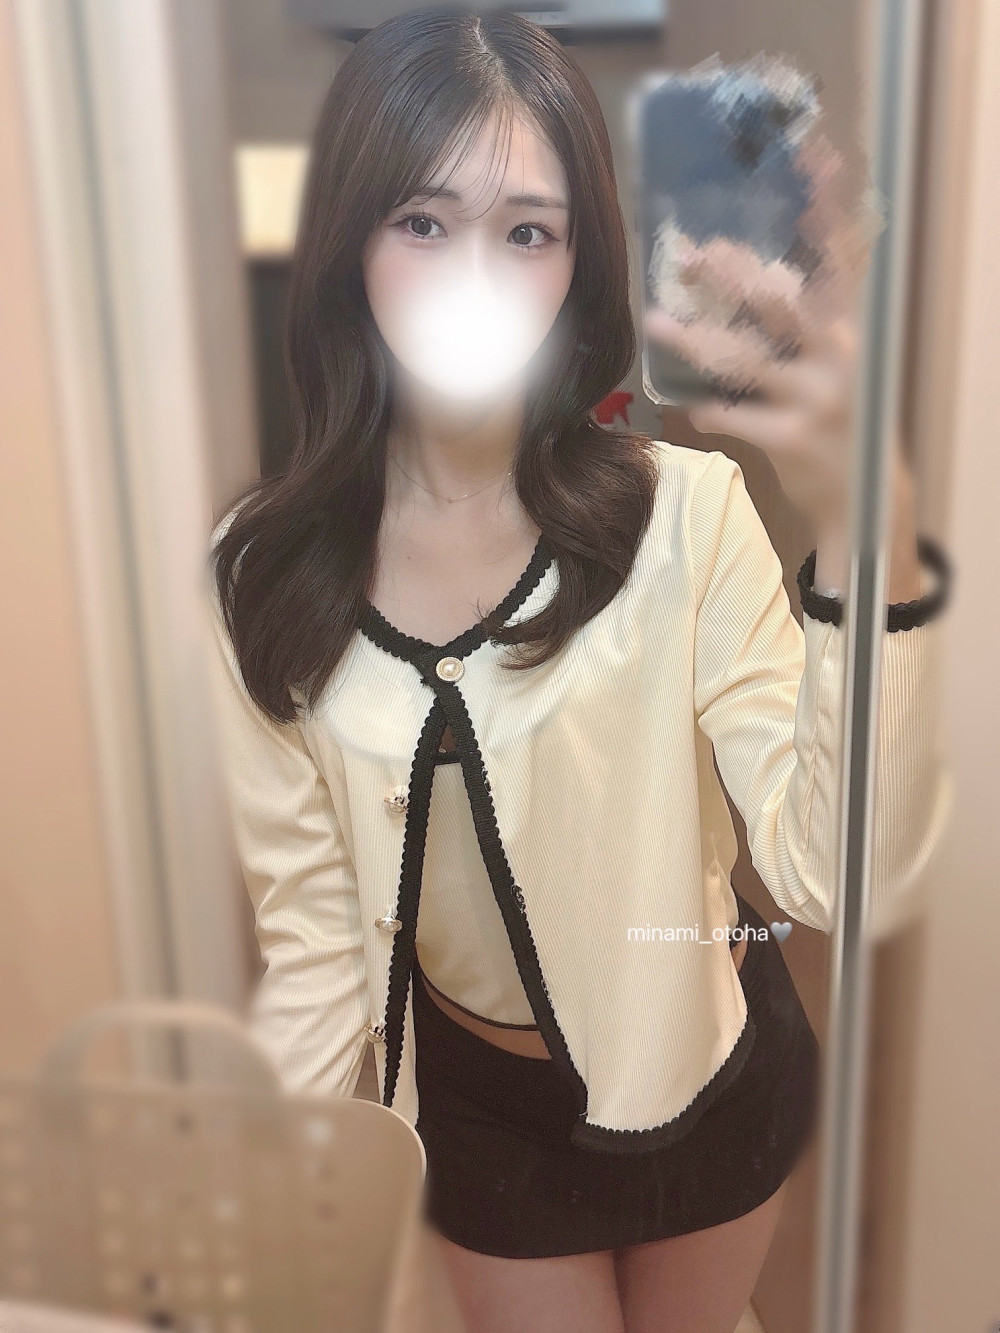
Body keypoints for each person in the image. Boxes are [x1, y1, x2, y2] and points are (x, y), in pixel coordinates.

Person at [204, 9, 951, 1331]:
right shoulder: (260, 575)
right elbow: (316, 938)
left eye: (528, 232)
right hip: (481, 1123)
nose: (474, 276)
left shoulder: (688, 518)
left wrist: (867, 522)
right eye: (422, 221)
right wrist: (276, 1211)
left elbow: (839, 872)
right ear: (351, 243)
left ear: (578, 264)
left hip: (702, 1084)